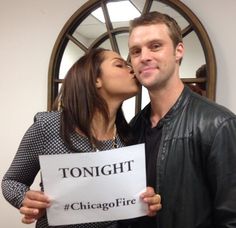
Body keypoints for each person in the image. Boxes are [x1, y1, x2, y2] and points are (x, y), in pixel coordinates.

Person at [1, 48, 162, 228]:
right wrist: (26, 200)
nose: (132, 68)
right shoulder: (49, 127)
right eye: (119, 65)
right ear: (95, 79)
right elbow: (11, 182)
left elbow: (128, 201)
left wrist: (147, 201)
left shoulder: (129, 137)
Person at [128, 11, 236, 228]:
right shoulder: (133, 128)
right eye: (136, 51)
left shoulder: (218, 124)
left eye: (155, 46)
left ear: (179, 51)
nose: (144, 56)